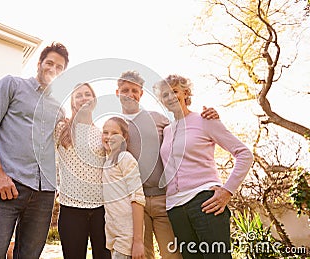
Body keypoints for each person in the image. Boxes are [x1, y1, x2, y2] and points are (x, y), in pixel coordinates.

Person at [0, 42, 69, 259]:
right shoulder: (12, 85)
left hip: (44, 194)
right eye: (50, 63)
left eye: (59, 67)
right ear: (39, 63)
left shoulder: (60, 108)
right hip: (8, 187)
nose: (53, 69)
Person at [116, 70, 218, 259]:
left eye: (134, 90)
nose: (129, 94)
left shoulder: (158, 119)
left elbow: (184, 129)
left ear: (141, 94)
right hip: (135, 201)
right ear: (117, 93)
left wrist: (209, 116)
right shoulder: (113, 124)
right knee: (141, 255)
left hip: (165, 199)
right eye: (125, 90)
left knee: (173, 255)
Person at [153, 74, 254, 258]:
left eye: (174, 91)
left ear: (186, 93)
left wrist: (227, 191)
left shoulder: (204, 120)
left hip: (204, 202)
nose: (170, 97)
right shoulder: (167, 130)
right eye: (165, 95)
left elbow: (244, 154)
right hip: (175, 208)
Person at [54, 83, 111, 259]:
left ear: (94, 100)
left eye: (88, 94)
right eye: (79, 95)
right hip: (71, 209)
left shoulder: (102, 133)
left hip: (101, 209)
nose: (84, 98)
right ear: (72, 102)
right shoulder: (61, 129)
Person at [102, 116, 146, 259]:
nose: (109, 137)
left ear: (124, 137)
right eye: (105, 132)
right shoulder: (107, 162)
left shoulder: (125, 158)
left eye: (114, 133)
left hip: (127, 237)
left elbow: (138, 198)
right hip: (114, 235)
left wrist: (138, 241)